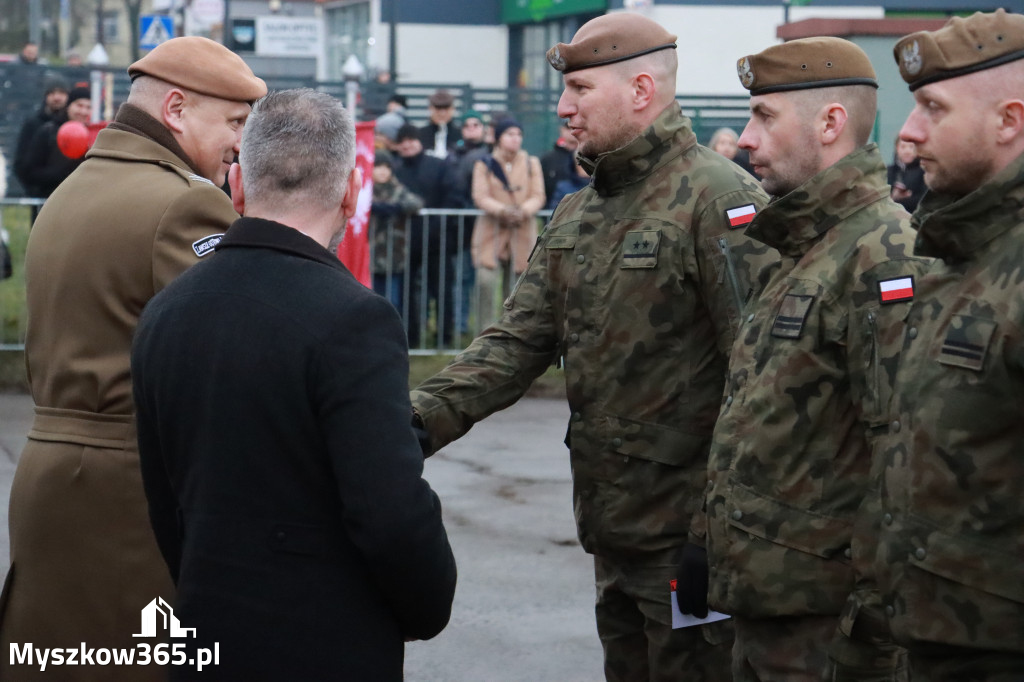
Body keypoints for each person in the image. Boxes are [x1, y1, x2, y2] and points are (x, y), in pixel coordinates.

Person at [411, 13, 777, 681]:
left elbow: (763, 385)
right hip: (616, 536)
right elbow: (514, 344)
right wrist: (407, 424)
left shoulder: (719, 200)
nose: (562, 106)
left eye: (579, 88)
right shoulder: (582, 212)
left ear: (641, 89)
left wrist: (717, 536)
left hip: (691, 546)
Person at [131, 88, 457, 681]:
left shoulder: (165, 312)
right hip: (325, 643)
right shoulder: (356, 319)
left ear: (237, 188)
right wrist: (427, 604)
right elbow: (388, 512)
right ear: (352, 192)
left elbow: (165, 500)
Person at [0, 36, 266, 681]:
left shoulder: (72, 189)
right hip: (131, 491)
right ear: (176, 108)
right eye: (233, 123)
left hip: (51, 477)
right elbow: (234, 348)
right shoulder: (185, 202)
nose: (240, 145)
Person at [685, 37, 928, 682]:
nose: (744, 139)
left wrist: (869, 630)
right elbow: (760, 418)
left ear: (830, 123)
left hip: (827, 626)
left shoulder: (882, 252)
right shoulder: (804, 244)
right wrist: (707, 538)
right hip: (769, 601)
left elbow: (900, 459)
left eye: (764, 117)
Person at [873, 10, 1024, 678]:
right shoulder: (951, 254)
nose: (909, 132)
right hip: (930, 636)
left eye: (933, 107)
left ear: (1008, 122)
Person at [470, 117, 544, 328]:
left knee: (517, 290)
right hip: (490, 233)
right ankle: (483, 336)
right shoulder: (484, 164)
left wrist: (523, 211)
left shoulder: (531, 163)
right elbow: (480, 196)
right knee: (485, 283)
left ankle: (512, 336)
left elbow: (538, 195)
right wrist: (503, 210)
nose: (515, 139)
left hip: (521, 232)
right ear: (499, 138)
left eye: (519, 134)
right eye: (510, 134)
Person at [394, 123, 460, 347]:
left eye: (411, 139)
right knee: (407, 292)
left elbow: (453, 197)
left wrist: (437, 225)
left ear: (419, 141)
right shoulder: (394, 169)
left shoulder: (439, 166)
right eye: (402, 141)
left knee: (441, 290)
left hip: (437, 241)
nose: (407, 145)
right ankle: (410, 337)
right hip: (404, 241)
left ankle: (444, 337)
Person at [446, 109, 491, 335]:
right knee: (460, 276)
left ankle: (483, 324)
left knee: (481, 278)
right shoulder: (453, 155)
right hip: (458, 226)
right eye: (467, 125)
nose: (471, 129)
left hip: (483, 224)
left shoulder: (489, 154)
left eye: (476, 124)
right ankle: (460, 324)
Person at [371, 149, 424, 312]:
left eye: (387, 167)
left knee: (392, 302)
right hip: (369, 256)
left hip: (393, 256)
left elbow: (416, 203)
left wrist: (397, 207)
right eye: (378, 166)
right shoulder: (365, 190)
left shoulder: (397, 189)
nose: (383, 171)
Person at [21, 84, 91, 198]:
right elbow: (29, 172)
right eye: (79, 105)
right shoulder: (48, 132)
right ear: (68, 106)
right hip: (48, 201)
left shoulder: (91, 135)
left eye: (88, 107)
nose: (83, 111)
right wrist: (61, 175)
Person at [14, 75, 68, 198]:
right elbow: (20, 163)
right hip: (40, 195)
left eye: (61, 92)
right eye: (52, 92)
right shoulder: (32, 123)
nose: (57, 97)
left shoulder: (72, 124)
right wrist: (33, 190)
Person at [540, 121, 579, 203]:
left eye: (575, 127)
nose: (572, 131)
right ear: (561, 130)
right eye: (569, 128)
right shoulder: (548, 159)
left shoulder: (590, 156)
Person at [418, 88, 461, 158]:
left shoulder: (460, 134)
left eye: (446, 108)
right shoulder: (420, 135)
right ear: (430, 109)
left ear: (453, 109)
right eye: (438, 108)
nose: (442, 113)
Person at [886, 138, 926, 212]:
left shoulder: (924, 171)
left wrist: (898, 200)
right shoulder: (889, 171)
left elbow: (924, 199)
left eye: (911, 147)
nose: (907, 151)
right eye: (903, 147)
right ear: (897, 148)